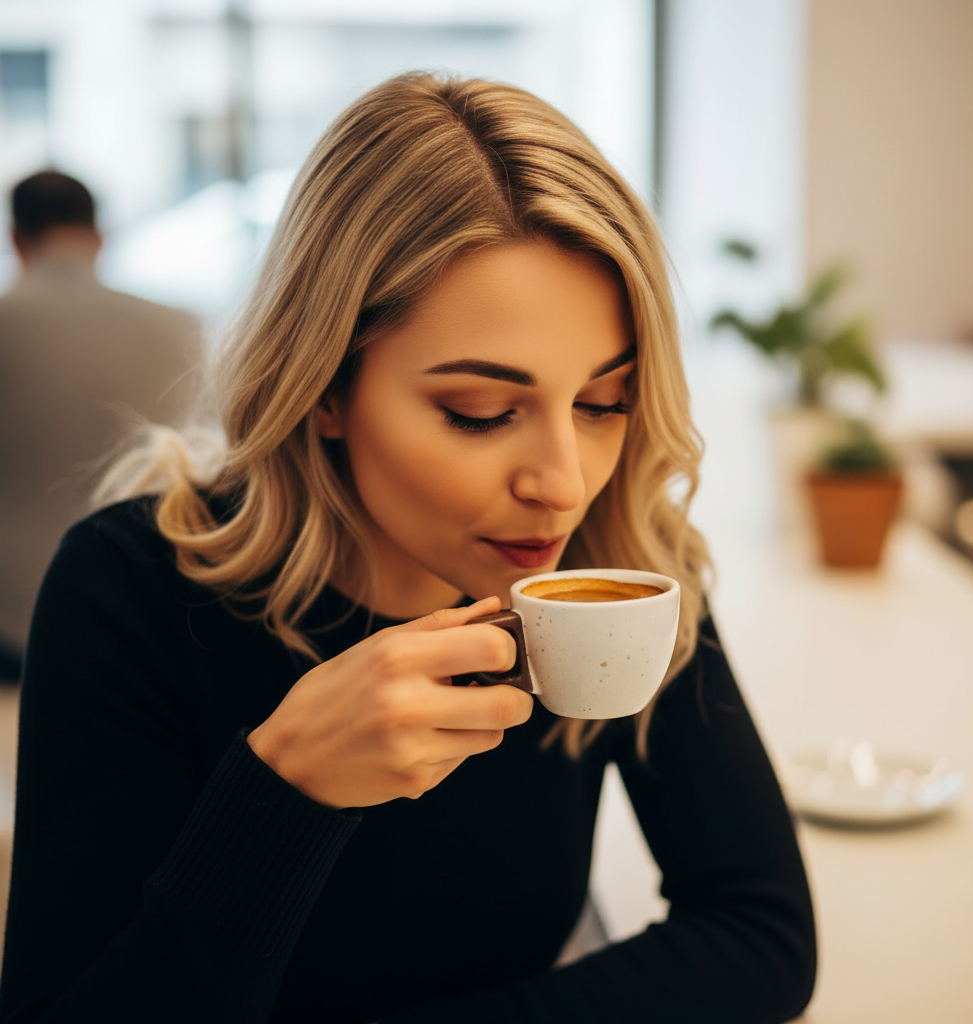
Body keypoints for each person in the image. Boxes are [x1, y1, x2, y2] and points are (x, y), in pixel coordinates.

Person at [0, 74, 816, 1023]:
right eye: (480, 412)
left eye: (602, 403)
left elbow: (762, 934)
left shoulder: (614, 566)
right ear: (325, 388)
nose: (561, 480)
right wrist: (285, 790)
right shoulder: (127, 589)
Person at [0, 170, 200, 678]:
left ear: (16, 239)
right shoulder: (179, 325)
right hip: (151, 607)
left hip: (10, 615)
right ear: (98, 236)